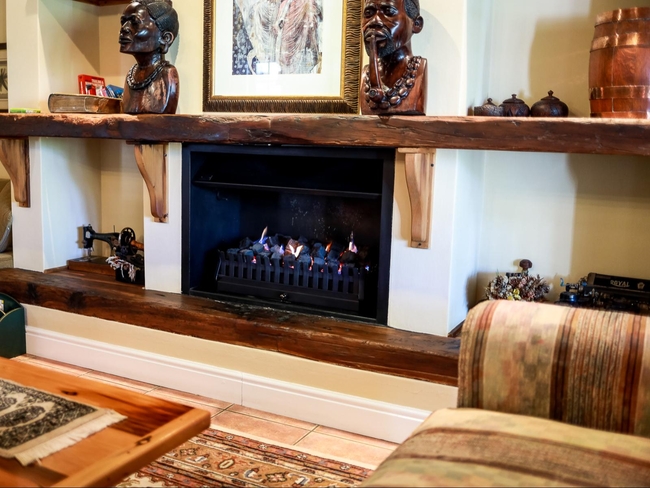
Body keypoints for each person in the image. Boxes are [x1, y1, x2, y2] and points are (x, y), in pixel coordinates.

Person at [360, 0, 427, 115]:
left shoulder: (418, 71)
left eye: (388, 12)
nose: (374, 21)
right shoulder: (365, 76)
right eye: (368, 13)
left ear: (416, 24)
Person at [119, 0, 179, 114]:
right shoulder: (131, 75)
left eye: (135, 22)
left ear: (165, 38)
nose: (124, 28)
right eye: (123, 22)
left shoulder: (167, 74)